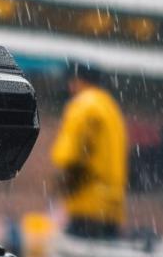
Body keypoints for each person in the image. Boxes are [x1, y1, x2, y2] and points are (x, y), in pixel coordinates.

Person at [50, 62, 128, 239]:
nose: (70, 87)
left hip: (86, 207)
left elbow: (68, 155)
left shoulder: (83, 106)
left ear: (79, 81)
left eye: (72, 81)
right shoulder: (111, 108)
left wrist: (63, 180)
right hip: (112, 209)